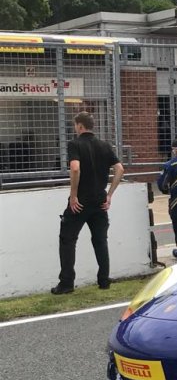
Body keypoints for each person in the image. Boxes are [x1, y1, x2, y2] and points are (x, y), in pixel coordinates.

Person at [51, 111, 124, 294]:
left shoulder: (74, 144)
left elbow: (75, 168)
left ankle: (66, 283)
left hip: (81, 201)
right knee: (100, 240)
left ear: (80, 126)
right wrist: (109, 195)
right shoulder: (104, 145)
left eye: (75, 125)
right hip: (100, 201)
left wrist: (73, 195)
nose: (75, 128)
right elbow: (119, 169)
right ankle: (104, 280)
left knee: (67, 240)